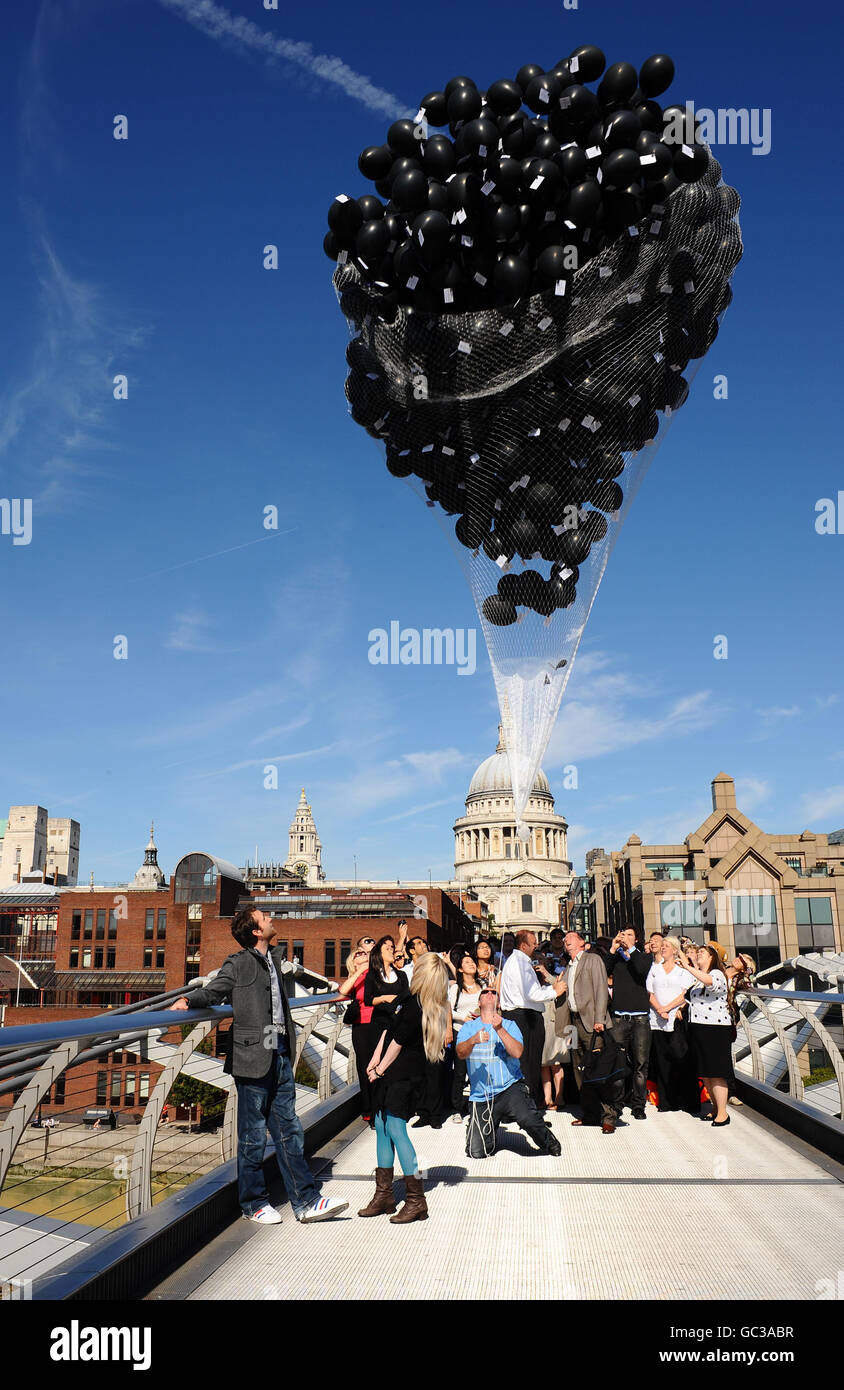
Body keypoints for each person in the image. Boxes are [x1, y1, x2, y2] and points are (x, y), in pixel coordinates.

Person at [173, 906, 348, 1225]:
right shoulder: (239, 963)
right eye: (264, 918)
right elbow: (215, 989)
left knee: (289, 1130)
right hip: (252, 1058)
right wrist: (190, 1001)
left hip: (279, 1052)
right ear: (255, 931)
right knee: (253, 1134)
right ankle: (253, 1202)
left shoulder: (275, 961)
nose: (270, 919)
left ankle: (305, 1201)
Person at [360, 952, 451, 1223]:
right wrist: (375, 1058)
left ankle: (416, 1199)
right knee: (382, 1126)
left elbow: (399, 1042)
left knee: (397, 1129)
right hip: (394, 1072)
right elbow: (389, 1031)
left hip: (404, 1076)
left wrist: (379, 1068)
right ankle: (384, 1195)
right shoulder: (411, 1000)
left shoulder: (418, 1004)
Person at [457, 988, 561, 1159]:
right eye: (485, 992)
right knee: (477, 1152)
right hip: (482, 1095)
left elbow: (518, 1052)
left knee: (528, 1118)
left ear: (498, 1003)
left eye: (493, 992)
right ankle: (489, 1129)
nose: (490, 993)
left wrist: (500, 1030)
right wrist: (473, 1040)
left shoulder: (509, 1024)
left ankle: (549, 1141)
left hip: (510, 1088)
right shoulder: (469, 1027)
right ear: (479, 1002)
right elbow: (460, 1053)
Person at [558, 930, 623, 1133]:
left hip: (591, 1023)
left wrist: (599, 1018)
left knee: (599, 1070)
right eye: (565, 940)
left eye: (571, 938)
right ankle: (590, 1114)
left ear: (581, 942)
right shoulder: (568, 966)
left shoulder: (592, 959)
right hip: (575, 1022)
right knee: (580, 1070)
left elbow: (601, 989)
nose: (566, 941)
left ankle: (608, 1117)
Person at [499, 929, 566, 1108]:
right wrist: (555, 991)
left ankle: (523, 1106)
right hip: (524, 1018)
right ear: (523, 945)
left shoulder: (517, 962)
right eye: (534, 942)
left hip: (519, 1016)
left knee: (524, 1063)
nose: (537, 945)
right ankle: (528, 1108)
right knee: (528, 1064)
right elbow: (531, 994)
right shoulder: (520, 963)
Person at [678, 942, 735, 1126]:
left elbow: (711, 983)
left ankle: (723, 1113)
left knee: (717, 1072)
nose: (699, 954)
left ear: (712, 958)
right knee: (706, 1073)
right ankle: (715, 1108)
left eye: (703, 952)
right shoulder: (698, 977)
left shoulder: (717, 974)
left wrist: (687, 966)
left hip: (715, 1029)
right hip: (700, 1028)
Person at [645, 935, 698, 1114]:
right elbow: (649, 991)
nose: (663, 948)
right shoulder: (655, 969)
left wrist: (668, 1008)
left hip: (676, 1020)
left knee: (680, 1059)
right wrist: (660, 1009)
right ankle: (666, 1102)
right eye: (663, 945)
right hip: (657, 1020)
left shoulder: (682, 970)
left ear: (675, 950)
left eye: (667, 945)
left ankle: (685, 1100)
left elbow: (685, 993)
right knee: (662, 1061)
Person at [606, 926, 652, 1120]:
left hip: (640, 1018)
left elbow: (641, 970)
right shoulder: (616, 957)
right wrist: (612, 948)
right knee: (618, 1064)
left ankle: (638, 1104)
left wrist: (631, 948)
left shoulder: (643, 956)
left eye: (629, 935)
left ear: (637, 939)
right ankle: (616, 1105)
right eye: (623, 934)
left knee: (640, 1064)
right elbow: (603, 971)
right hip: (619, 1018)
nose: (625, 937)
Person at [337, 941, 376, 1123]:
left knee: (381, 1064)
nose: (362, 955)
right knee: (364, 1066)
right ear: (352, 962)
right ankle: (368, 1108)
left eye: (363, 953)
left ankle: (382, 1105)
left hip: (380, 1023)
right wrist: (359, 971)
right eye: (357, 954)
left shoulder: (377, 972)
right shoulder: (355, 977)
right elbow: (343, 990)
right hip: (361, 1026)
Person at [448, 951, 483, 1121]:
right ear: (460, 969)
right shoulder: (455, 987)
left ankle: (478, 1104)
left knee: (478, 1069)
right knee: (460, 1071)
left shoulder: (482, 985)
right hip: (460, 1032)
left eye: (472, 962)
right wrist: (463, 1017)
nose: (471, 964)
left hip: (479, 1032)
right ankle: (457, 1108)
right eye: (467, 962)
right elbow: (448, 1010)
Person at [364, 935, 410, 1035]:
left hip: (399, 1024)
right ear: (379, 953)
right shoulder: (372, 975)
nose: (391, 951)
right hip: (379, 1024)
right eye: (387, 948)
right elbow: (367, 1000)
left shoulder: (402, 975)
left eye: (392, 948)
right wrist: (383, 998)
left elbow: (406, 997)